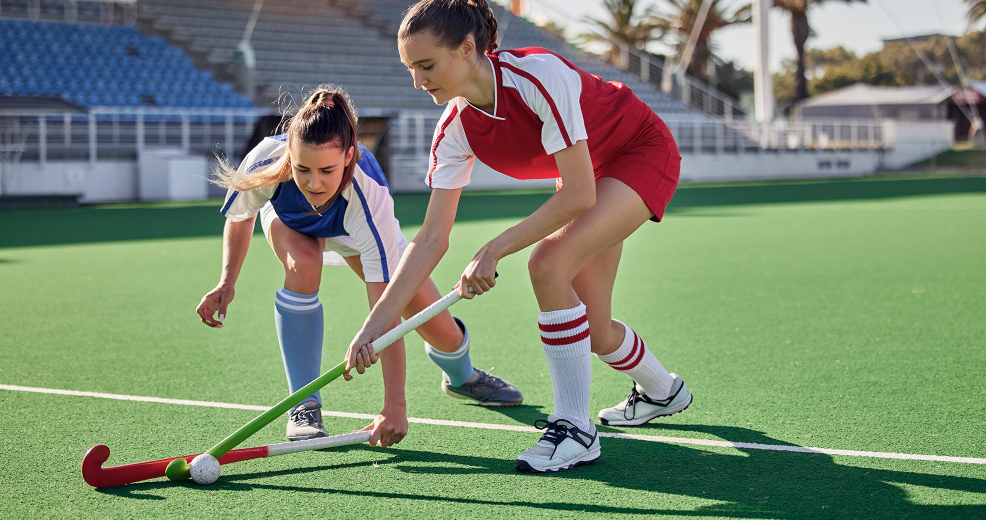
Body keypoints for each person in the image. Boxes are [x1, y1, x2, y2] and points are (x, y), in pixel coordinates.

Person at [344, 0, 692, 472]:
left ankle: (575, 429)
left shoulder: (537, 77)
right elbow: (429, 239)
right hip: (587, 174)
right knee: (593, 329)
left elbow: (579, 196)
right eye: (410, 68)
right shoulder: (454, 128)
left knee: (546, 264)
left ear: (467, 49)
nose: (418, 80)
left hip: (638, 153)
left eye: (426, 65)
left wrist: (493, 249)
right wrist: (375, 326)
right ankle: (662, 390)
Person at [197, 85, 522, 448]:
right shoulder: (266, 162)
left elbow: (387, 306)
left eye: (326, 170)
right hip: (292, 224)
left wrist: (394, 405)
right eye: (302, 168)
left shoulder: (369, 194)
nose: (313, 182)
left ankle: (462, 377)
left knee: (438, 327)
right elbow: (241, 218)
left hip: (354, 232)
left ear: (349, 156)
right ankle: (304, 405)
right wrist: (227, 281)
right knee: (302, 266)